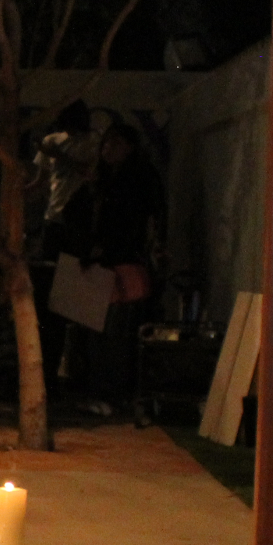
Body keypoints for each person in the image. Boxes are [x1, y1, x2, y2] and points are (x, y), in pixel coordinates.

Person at [73, 122, 165, 412]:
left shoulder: (137, 179)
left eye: (115, 143)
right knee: (97, 334)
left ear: (129, 147)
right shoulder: (100, 181)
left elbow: (149, 218)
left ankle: (113, 393)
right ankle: (100, 391)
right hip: (102, 263)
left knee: (116, 332)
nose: (107, 149)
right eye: (105, 144)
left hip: (123, 262)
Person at [30, 101, 99, 390]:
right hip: (53, 221)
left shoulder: (90, 143)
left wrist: (57, 155)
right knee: (47, 290)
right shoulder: (52, 141)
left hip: (77, 223)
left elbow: (88, 171)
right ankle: (47, 366)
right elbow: (41, 180)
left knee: (71, 296)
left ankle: (71, 366)